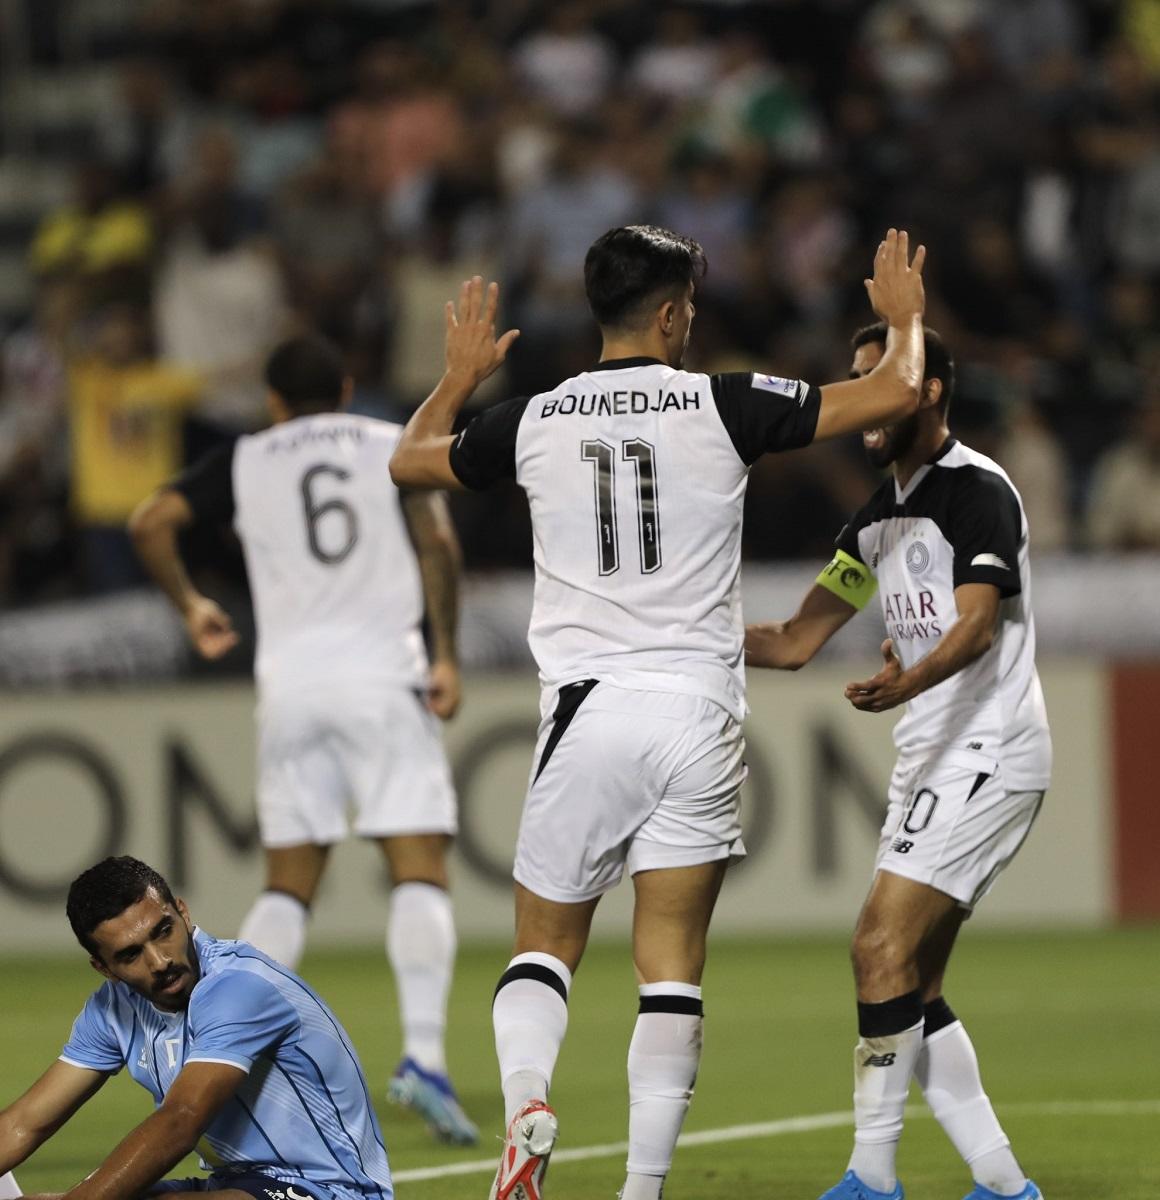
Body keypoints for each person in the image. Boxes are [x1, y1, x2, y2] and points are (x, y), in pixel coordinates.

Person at [389, 225, 928, 1200]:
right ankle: (640, 1190)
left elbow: (409, 463)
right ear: (675, 313)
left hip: (587, 707)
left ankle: (526, 1104)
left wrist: (459, 377)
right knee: (670, 965)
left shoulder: (534, 416)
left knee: (543, 948)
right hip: (697, 709)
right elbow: (894, 392)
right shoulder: (726, 402)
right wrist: (904, 319)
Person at [128, 335, 477, 1145]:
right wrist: (447, 654)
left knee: (288, 885)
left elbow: (149, 522)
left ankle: (217, 1064)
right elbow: (437, 543)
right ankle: (425, 1057)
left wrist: (192, 605)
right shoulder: (391, 443)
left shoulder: (245, 458)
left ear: (273, 400)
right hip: (383, 675)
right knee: (417, 864)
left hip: (291, 687)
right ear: (347, 388)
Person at [745, 323, 1049, 1200]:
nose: (862, 402)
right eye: (854, 380)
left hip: (988, 745)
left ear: (930, 388)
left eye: (877, 379)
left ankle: (871, 1179)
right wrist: (680, 635)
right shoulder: (875, 521)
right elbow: (796, 638)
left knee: (878, 946)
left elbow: (977, 625)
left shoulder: (977, 490)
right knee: (909, 979)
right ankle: (1003, 1184)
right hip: (933, 755)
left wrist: (907, 679)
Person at [0, 855, 393, 1200]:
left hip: (328, 1189)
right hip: (236, 1183)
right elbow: (24, 1124)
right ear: (104, 968)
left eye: (163, 931)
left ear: (183, 913)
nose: (160, 961)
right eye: (131, 954)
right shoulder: (112, 1010)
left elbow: (180, 1120)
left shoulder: (237, 987)